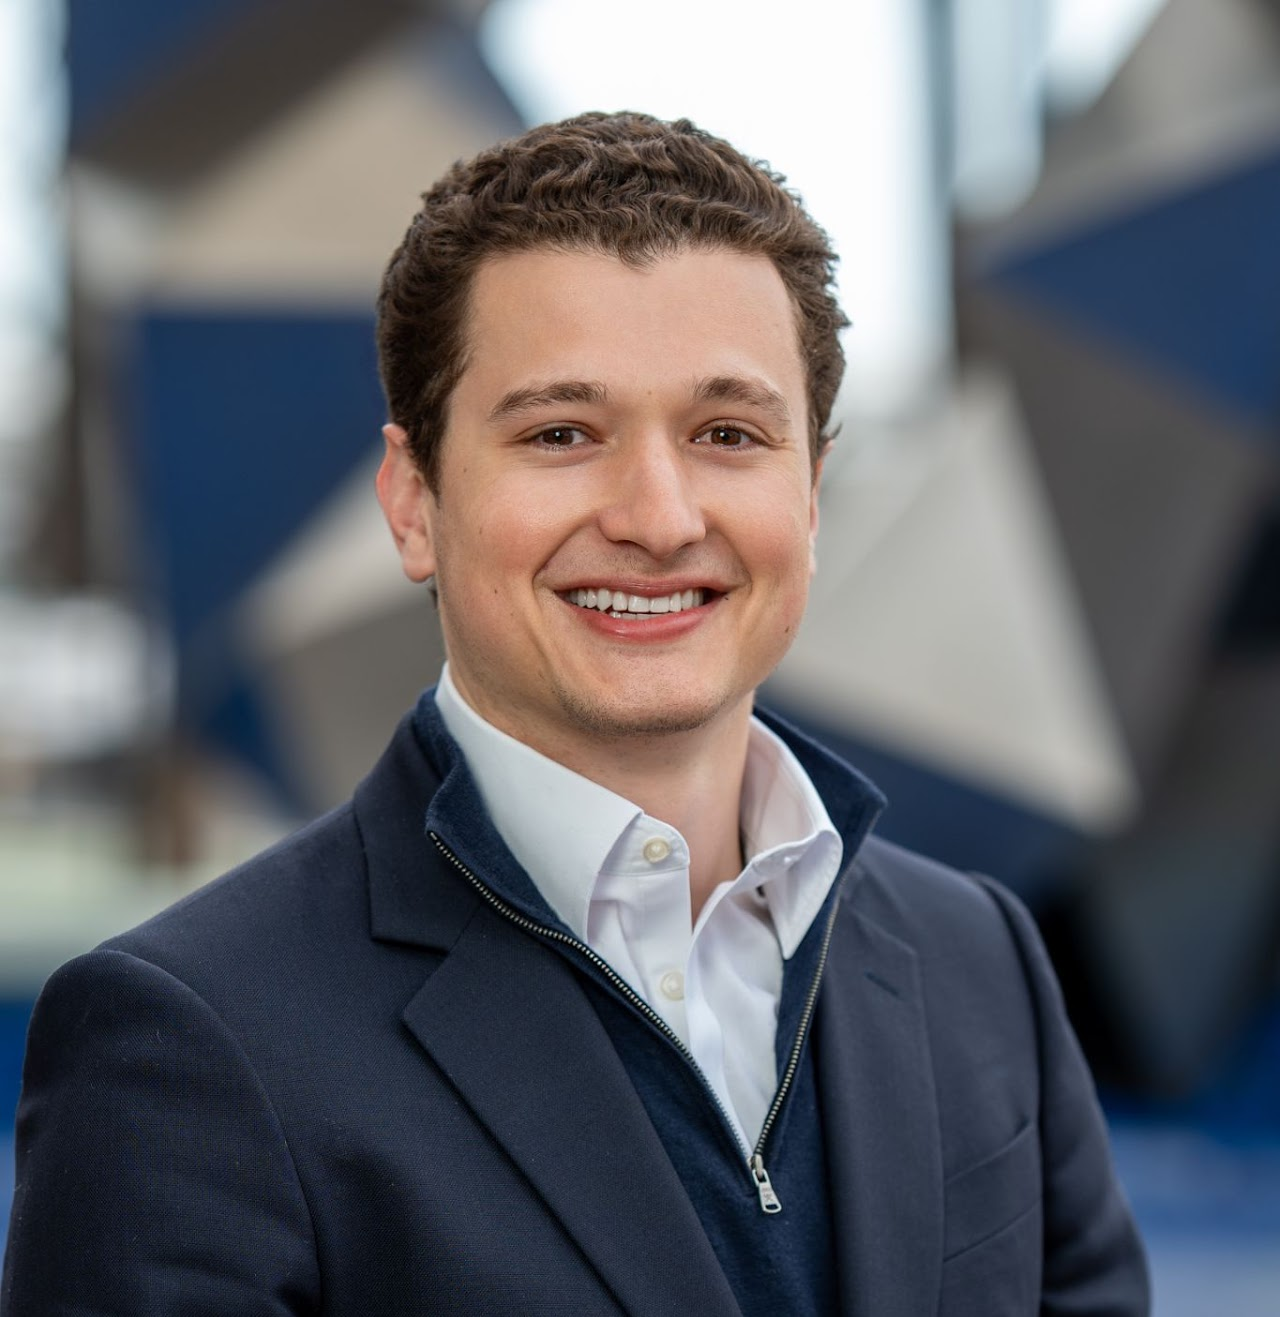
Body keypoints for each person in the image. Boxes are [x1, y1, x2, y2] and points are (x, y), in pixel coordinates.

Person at [1, 112, 1148, 1316]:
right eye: (561, 433)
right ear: (412, 505)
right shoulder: (191, 1046)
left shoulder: (980, 965)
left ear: (808, 496)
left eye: (725, 434)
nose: (658, 517)